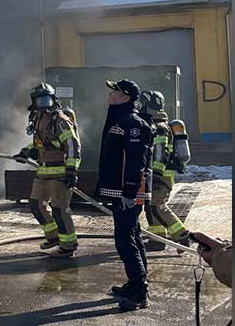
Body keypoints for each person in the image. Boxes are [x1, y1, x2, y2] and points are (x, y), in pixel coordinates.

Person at [97, 78, 155, 312]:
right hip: (121, 191)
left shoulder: (133, 124)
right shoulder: (119, 120)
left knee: (125, 241)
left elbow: (135, 161)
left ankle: (140, 293)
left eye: (115, 91)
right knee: (133, 237)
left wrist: (130, 191)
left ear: (126, 97)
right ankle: (136, 283)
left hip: (128, 193)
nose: (110, 94)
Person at [15, 83, 81, 258]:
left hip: (60, 174)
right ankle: (53, 236)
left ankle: (68, 246)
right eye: (40, 100)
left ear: (53, 100)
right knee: (35, 205)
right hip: (43, 173)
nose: (44, 103)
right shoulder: (38, 119)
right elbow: (39, 143)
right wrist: (26, 151)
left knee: (59, 210)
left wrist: (72, 170)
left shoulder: (60, 120)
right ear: (34, 102)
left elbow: (72, 145)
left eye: (47, 99)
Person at [139, 90, 191, 250]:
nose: (139, 107)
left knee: (157, 206)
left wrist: (156, 174)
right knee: (151, 206)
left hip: (161, 176)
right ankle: (157, 240)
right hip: (158, 175)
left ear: (148, 106)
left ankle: (182, 234)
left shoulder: (160, 127)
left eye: (142, 104)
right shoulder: (155, 124)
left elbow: (161, 152)